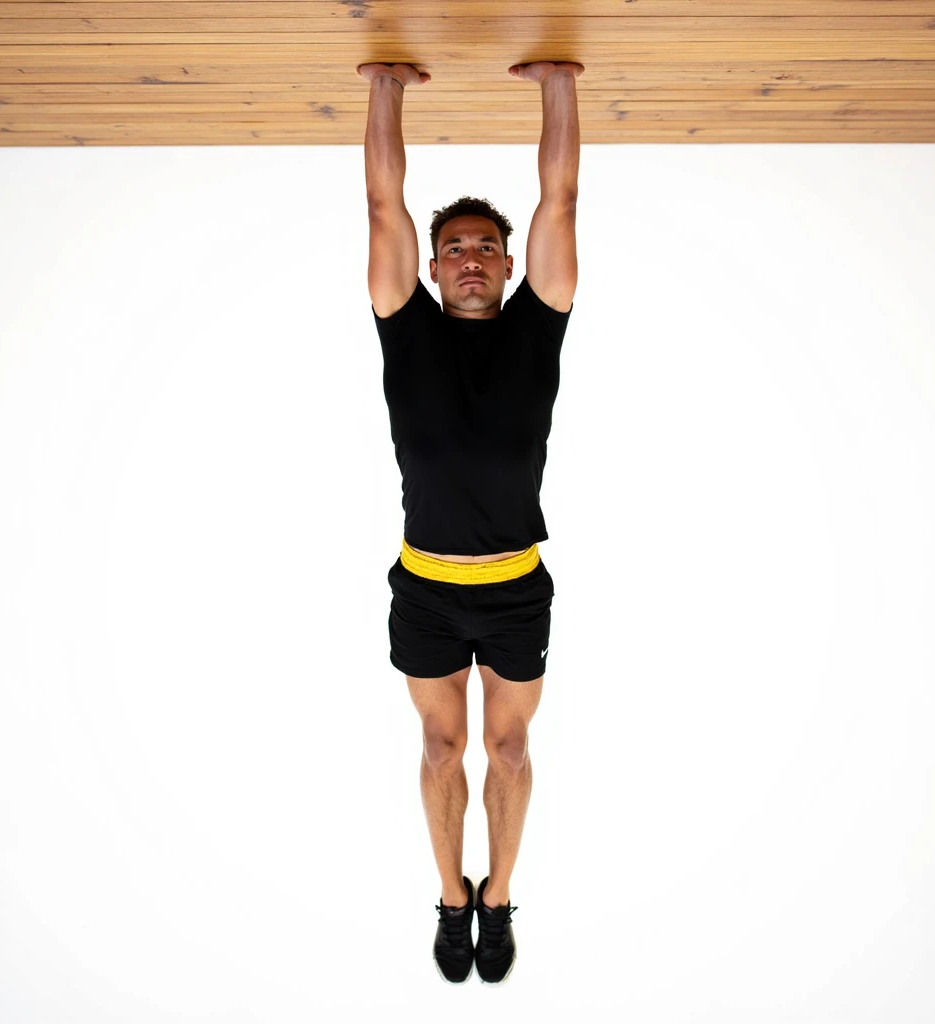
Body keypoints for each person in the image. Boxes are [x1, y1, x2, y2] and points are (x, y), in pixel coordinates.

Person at [358, 58, 582, 986]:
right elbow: (383, 210)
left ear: (509, 260)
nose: (471, 256)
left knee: (511, 746)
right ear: (436, 265)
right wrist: (385, 87)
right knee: (443, 747)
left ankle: (500, 899)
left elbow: (561, 201)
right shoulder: (401, 321)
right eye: (454, 246)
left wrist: (559, 83)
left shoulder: (542, 320)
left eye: (486, 243)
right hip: (427, 589)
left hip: (516, 587)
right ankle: (454, 898)